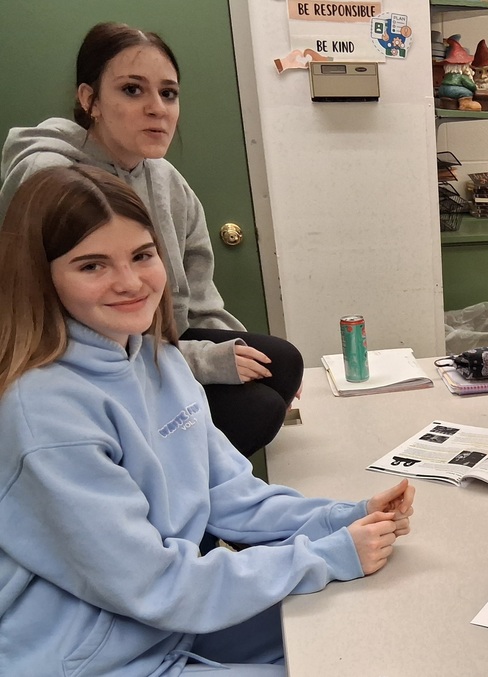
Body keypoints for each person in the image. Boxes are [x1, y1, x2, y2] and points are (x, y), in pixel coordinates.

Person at [0, 164, 416, 675]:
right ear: (43, 279)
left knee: (374, 639)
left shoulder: (159, 359)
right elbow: (151, 584)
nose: (130, 282)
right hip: (95, 658)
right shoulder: (44, 415)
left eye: (141, 255)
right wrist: (326, 557)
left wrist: (342, 518)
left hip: (171, 620)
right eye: (92, 266)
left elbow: (232, 495)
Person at [0, 21, 301, 457]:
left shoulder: (165, 179)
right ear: (90, 100)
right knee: (254, 410)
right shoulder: (50, 177)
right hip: (78, 356)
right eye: (132, 90)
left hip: (155, 338)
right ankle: (168, 497)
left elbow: (197, 294)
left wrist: (233, 351)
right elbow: (72, 323)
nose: (158, 108)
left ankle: (199, 482)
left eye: (169, 93)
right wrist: (198, 362)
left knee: (279, 364)